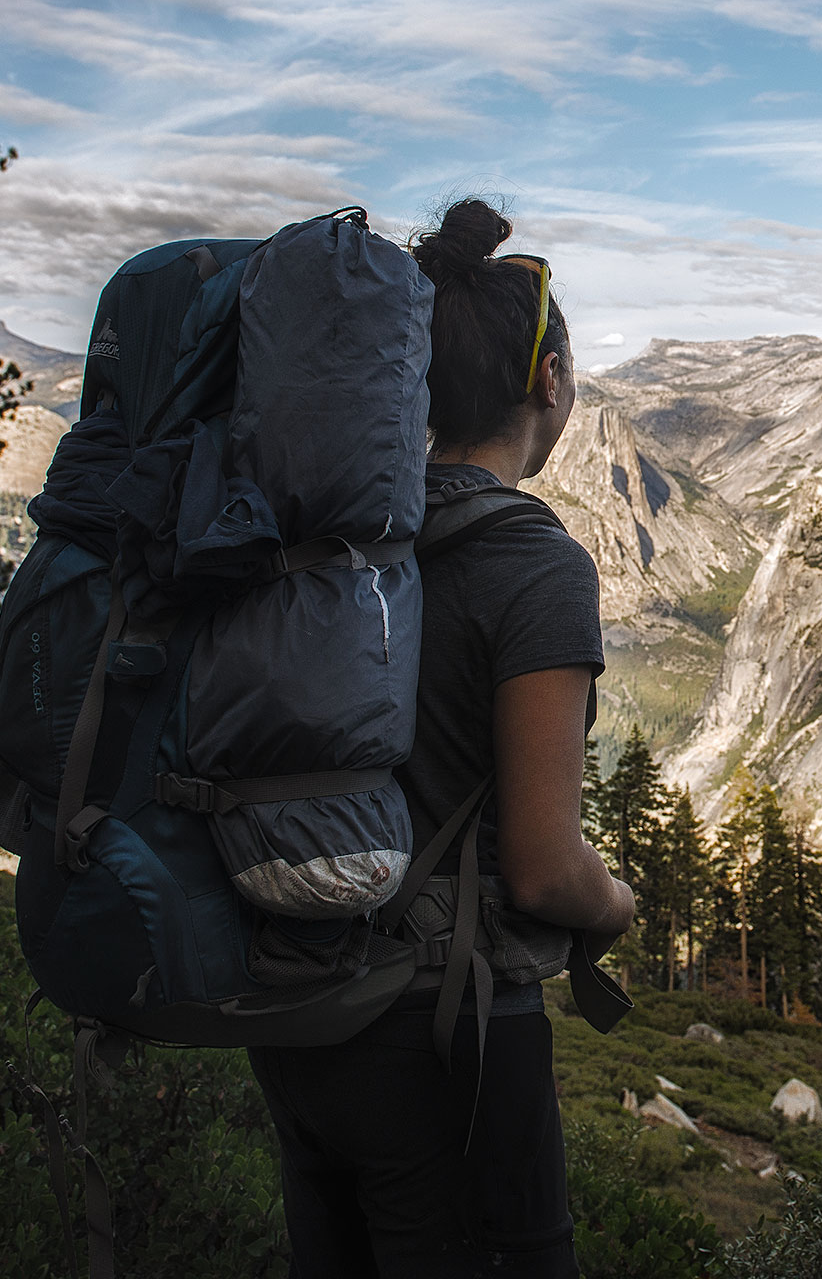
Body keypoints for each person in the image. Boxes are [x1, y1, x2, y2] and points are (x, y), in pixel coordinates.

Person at [247, 199, 636, 1278]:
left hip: (304, 1021)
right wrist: (621, 906)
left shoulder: (338, 531)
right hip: (450, 1041)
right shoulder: (535, 566)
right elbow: (549, 871)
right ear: (548, 383)